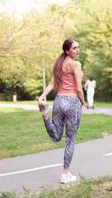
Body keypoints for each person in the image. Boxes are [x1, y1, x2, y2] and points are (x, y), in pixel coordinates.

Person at [37, 38, 85, 184]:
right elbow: (78, 88)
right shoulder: (75, 64)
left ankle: (45, 115)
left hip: (58, 101)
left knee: (56, 137)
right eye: (74, 48)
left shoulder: (59, 64)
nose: (78, 50)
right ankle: (65, 173)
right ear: (67, 51)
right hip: (72, 103)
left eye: (78, 47)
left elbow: (52, 83)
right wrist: (83, 102)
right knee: (70, 139)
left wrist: (42, 96)